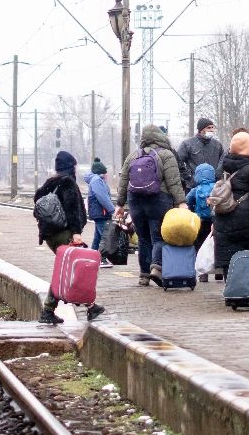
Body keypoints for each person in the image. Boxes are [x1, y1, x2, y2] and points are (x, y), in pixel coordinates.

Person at [113, 125, 188, 286]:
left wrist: (120, 204)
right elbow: (173, 181)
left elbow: (123, 181)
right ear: (160, 137)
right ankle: (157, 268)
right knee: (159, 236)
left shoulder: (133, 156)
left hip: (135, 201)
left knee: (143, 238)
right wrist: (181, 202)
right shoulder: (166, 155)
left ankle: (144, 275)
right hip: (158, 199)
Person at [35, 151, 104, 324]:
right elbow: (72, 209)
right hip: (64, 233)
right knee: (73, 269)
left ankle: (86, 306)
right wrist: (76, 233)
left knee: (65, 268)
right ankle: (54, 310)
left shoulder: (49, 183)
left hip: (50, 234)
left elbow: (38, 200)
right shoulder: (68, 183)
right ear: (70, 167)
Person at [213, 133, 249, 278]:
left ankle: (231, 291)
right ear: (248, 147)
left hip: (223, 216)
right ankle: (248, 289)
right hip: (245, 220)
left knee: (228, 258)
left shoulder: (224, 167)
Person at [186, 163, 217, 282]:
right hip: (215, 221)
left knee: (199, 244)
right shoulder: (216, 187)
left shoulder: (195, 190)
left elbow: (187, 201)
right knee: (215, 244)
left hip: (201, 221)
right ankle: (218, 271)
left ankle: (203, 273)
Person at [84, 157, 116, 267]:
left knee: (98, 237)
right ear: (101, 173)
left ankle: (91, 258)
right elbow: (103, 198)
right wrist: (112, 209)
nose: (107, 175)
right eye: (105, 173)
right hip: (101, 212)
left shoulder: (96, 180)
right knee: (106, 235)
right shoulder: (97, 181)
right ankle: (102, 259)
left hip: (99, 212)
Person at [177, 118, 224, 191]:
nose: (211, 130)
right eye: (208, 128)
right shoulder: (187, 144)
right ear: (201, 130)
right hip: (193, 187)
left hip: (214, 187)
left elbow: (223, 161)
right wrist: (188, 176)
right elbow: (178, 161)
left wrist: (218, 174)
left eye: (212, 127)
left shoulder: (217, 145)